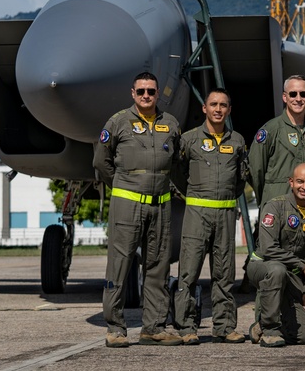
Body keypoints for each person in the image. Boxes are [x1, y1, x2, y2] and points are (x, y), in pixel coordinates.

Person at [94, 71, 182, 347]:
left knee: (158, 266)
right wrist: (123, 185)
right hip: (127, 204)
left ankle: (153, 326)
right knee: (120, 265)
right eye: (141, 91)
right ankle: (116, 327)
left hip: (160, 205)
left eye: (151, 91)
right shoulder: (118, 122)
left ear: (158, 94)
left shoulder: (170, 123)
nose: (146, 95)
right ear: (133, 93)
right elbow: (101, 162)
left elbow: (176, 162)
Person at [172, 88, 247, 345]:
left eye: (223, 105)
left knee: (225, 273)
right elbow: (178, 172)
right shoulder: (189, 140)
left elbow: (240, 179)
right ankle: (186, 327)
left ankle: (224, 326)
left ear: (228, 110)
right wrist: (193, 194)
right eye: (213, 104)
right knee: (189, 272)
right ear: (204, 108)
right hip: (197, 212)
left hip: (225, 212)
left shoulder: (237, 141)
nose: (218, 109)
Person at [246, 163, 305, 348]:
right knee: (277, 270)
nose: (304, 187)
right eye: (300, 181)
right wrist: (302, 265)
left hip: (291, 275)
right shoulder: (274, 207)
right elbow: (269, 248)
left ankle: (262, 325)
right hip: (262, 266)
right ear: (291, 182)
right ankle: (269, 330)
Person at [247, 75, 305, 210]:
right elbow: (255, 171)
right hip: (277, 206)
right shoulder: (270, 130)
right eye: (293, 94)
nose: (298, 99)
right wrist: (268, 196)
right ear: (284, 97)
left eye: (303, 94)